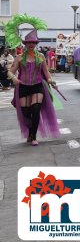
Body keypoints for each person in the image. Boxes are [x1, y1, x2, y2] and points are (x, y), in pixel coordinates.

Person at [5, 15, 61, 145]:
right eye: (29, 43)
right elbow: (10, 72)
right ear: (25, 44)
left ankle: (34, 136)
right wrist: (13, 78)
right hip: (23, 86)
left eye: (33, 43)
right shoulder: (19, 58)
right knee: (26, 113)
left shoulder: (41, 56)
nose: (31, 45)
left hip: (37, 86)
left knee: (36, 109)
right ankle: (30, 131)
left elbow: (46, 73)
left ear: (36, 44)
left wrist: (51, 81)